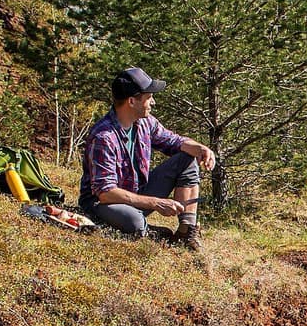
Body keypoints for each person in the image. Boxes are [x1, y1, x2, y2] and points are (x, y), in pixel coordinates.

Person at [78, 67, 217, 251]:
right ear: (132, 101)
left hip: (136, 193)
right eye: (149, 97)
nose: (153, 102)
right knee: (134, 222)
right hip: (103, 204)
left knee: (188, 159)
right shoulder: (104, 137)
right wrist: (155, 203)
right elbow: (106, 192)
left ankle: (186, 232)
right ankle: (147, 231)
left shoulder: (145, 122)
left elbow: (173, 141)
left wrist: (200, 148)